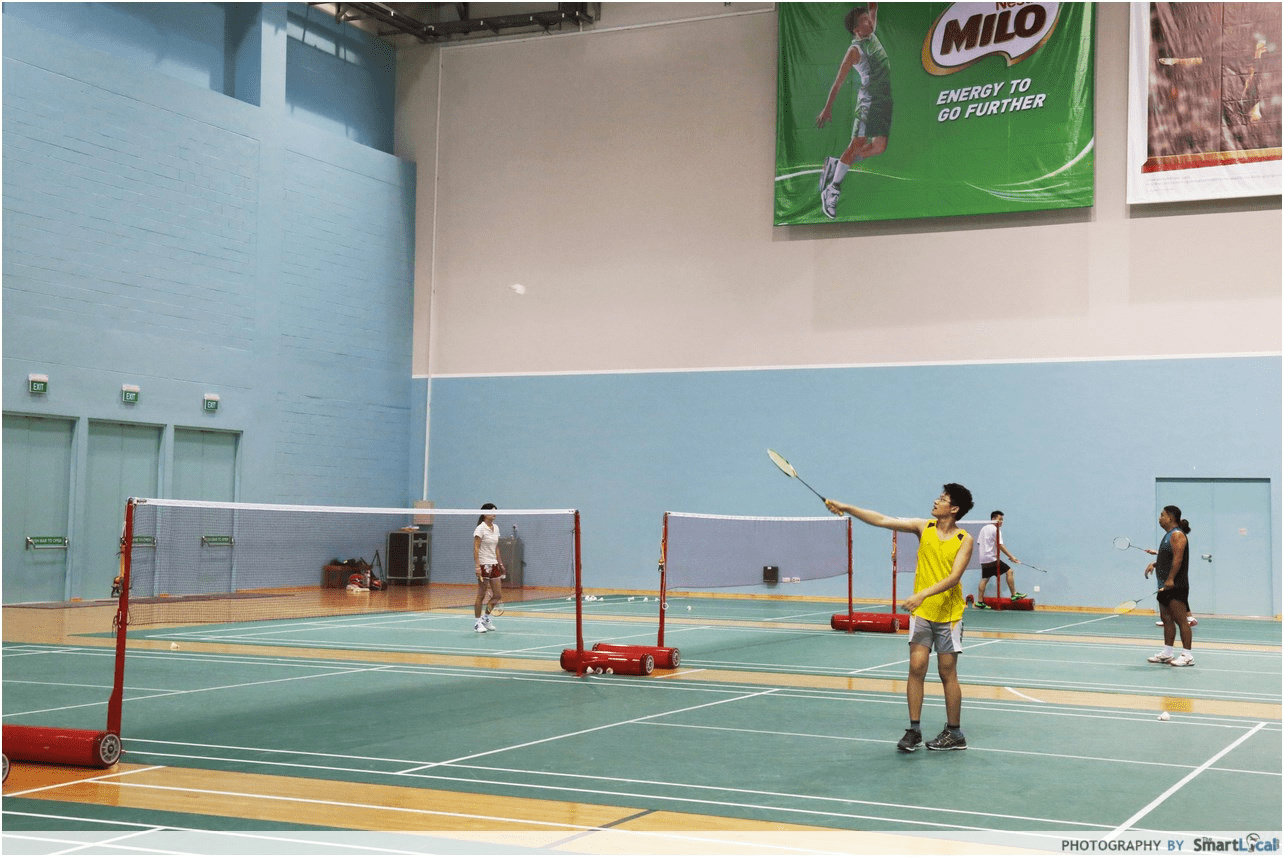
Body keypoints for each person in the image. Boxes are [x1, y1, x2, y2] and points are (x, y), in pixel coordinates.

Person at [826, 483, 975, 752]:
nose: (935, 501)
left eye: (942, 499)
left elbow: (954, 578)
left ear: (954, 509)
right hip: (922, 615)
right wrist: (846, 507)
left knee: (947, 673)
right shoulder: (923, 527)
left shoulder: (965, 539)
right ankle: (914, 730)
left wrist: (921, 595)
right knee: (916, 668)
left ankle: (955, 733)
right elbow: (883, 520)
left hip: (949, 615)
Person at [815, 3, 893, 220]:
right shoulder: (854, 51)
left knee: (879, 146)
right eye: (865, 21)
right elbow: (838, 82)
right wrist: (827, 108)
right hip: (868, 102)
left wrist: (872, 8)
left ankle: (837, 163)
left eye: (869, 19)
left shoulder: (872, 34)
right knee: (856, 145)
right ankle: (833, 188)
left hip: (883, 101)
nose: (870, 21)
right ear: (856, 30)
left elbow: (874, 7)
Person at [1145, 506, 1194, 666]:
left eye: (1162, 515)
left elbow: (1178, 559)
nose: (1160, 518)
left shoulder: (1177, 535)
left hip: (1175, 585)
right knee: (1166, 619)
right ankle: (1167, 653)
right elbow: (1168, 558)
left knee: (1181, 621)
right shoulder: (1168, 535)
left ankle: (1187, 656)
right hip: (1164, 585)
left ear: (1171, 518)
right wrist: (1155, 563)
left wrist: (1171, 579)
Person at [975, 511, 1025, 607]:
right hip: (991, 558)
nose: (1001, 521)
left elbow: (980, 543)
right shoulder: (996, 529)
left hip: (983, 558)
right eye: (1000, 519)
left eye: (1002, 520)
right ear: (993, 519)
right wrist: (1011, 557)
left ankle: (979, 602)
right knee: (1010, 571)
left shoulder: (984, 528)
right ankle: (1014, 595)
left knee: (985, 579)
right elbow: (1000, 545)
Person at [473, 503, 505, 633]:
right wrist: (477, 566)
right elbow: (476, 548)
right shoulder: (480, 529)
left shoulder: (496, 528)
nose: (494, 513)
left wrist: (500, 563)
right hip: (484, 564)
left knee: (497, 595)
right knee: (481, 594)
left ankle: (485, 618)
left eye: (495, 511)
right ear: (484, 513)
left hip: (494, 564)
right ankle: (477, 622)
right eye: (491, 511)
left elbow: (496, 547)